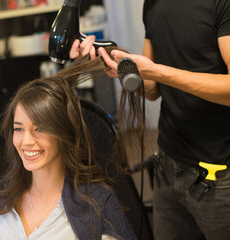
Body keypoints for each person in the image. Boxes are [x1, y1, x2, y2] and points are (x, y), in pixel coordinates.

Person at [70, 1, 230, 239]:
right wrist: (117, 63)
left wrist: (156, 71)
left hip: (218, 173)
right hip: (168, 163)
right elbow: (153, 88)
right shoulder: (153, 4)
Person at [0, 50, 138, 240]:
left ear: (63, 132)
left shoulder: (97, 204)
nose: (27, 141)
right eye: (19, 129)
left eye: (39, 129)